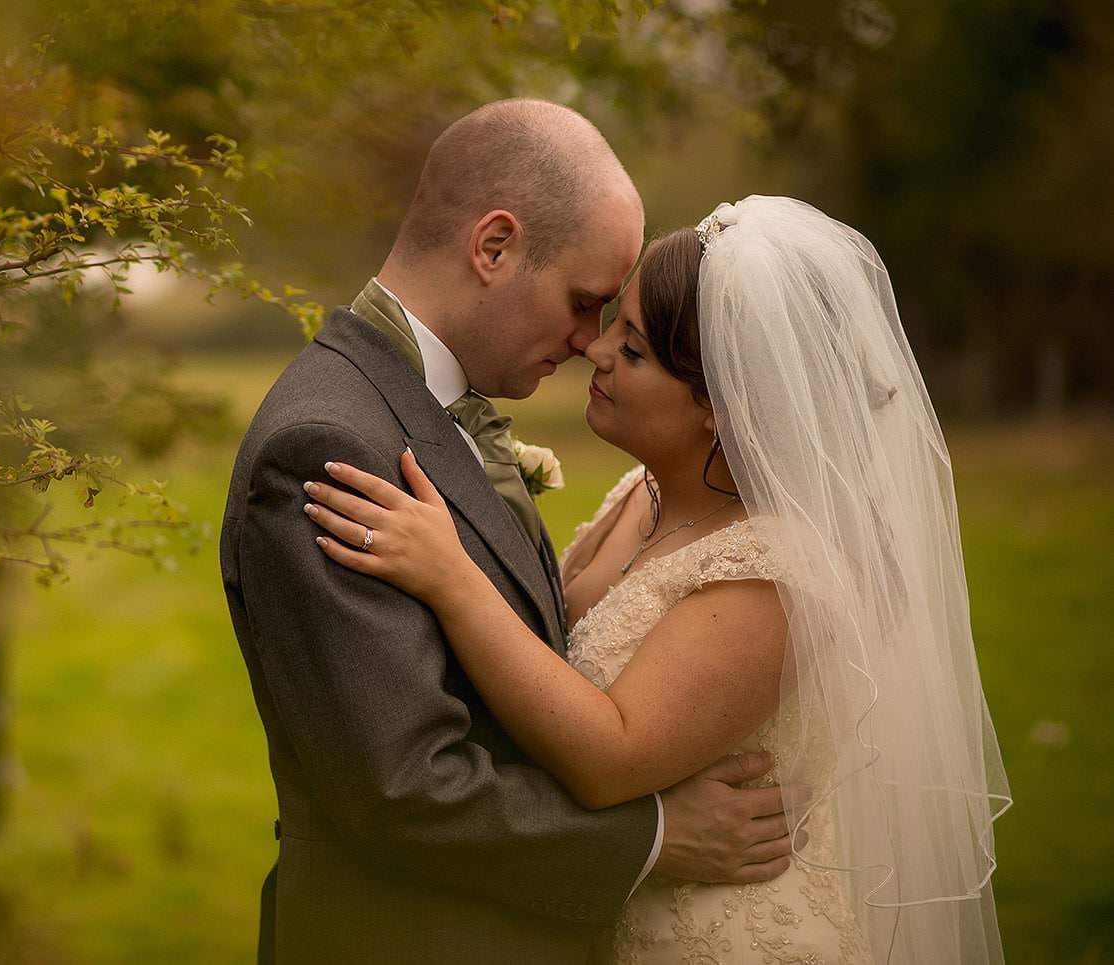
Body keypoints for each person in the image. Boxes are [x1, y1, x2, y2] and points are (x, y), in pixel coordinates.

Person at [303, 196, 1011, 963]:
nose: (596, 351)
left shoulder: (773, 574)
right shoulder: (636, 500)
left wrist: (451, 576)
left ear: (717, 402)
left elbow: (613, 757)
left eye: (633, 350)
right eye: (613, 323)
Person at [219, 100, 794, 965]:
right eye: (584, 302)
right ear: (493, 248)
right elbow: (401, 785)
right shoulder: (333, 441)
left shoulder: (425, 406)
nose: (588, 343)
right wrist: (655, 838)